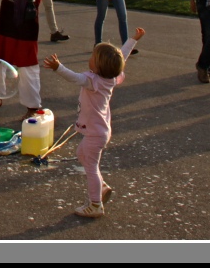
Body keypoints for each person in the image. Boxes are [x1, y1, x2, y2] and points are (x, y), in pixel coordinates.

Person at [43, 27, 145, 218]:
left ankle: (95, 205)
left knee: (91, 168)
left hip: (96, 133)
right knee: (81, 154)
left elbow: (75, 78)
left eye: (92, 56)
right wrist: (133, 39)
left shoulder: (93, 81)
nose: (89, 58)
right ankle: (102, 188)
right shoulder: (111, 77)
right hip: (99, 131)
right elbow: (123, 55)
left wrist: (59, 68)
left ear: (97, 66)